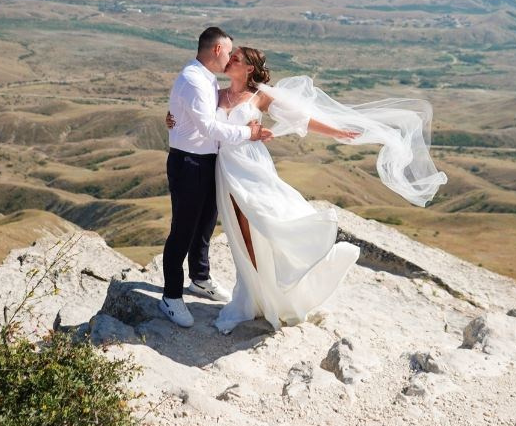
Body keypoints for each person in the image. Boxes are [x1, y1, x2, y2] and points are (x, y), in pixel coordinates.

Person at [169, 46, 447, 334]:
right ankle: (254, 296)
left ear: (249, 68)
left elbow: (300, 118)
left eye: (235, 58)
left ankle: (287, 281)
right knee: (241, 234)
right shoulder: (217, 93)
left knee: (266, 221)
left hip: (251, 167)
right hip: (225, 169)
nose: (229, 60)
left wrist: (336, 132)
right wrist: (172, 120)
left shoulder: (259, 96)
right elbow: (195, 115)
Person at [160, 27, 272, 328]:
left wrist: (173, 119)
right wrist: (248, 133)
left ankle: (200, 277)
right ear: (218, 50)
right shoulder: (194, 80)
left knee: (205, 225)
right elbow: (209, 128)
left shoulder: (207, 79)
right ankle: (171, 297)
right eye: (230, 52)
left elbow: (187, 115)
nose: (231, 58)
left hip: (208, 161)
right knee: (182, 230)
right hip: (189, 163)